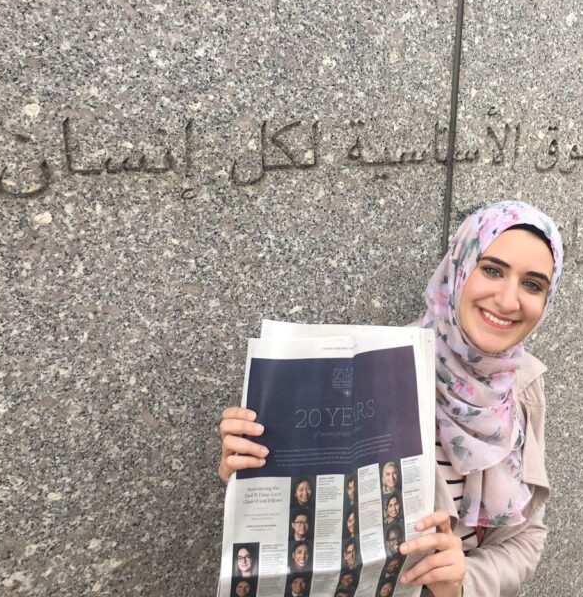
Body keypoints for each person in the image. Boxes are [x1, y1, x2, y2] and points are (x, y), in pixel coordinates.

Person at [218, 200, 563, 597]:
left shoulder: (521, 387)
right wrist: (251, 467)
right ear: (460, 268)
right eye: (491, 270)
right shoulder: (376, 370)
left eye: (532, 284)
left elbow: (525, 538)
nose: (507, 299)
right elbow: (307, 524)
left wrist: (462, 580)